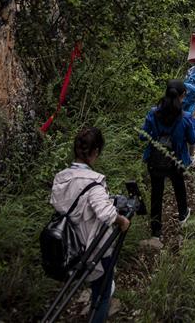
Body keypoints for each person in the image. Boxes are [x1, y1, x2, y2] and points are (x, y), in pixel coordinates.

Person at [49, 127, 131, 323]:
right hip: (94, 247)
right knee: (101, 295)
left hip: (69, 244)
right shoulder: (93, 182)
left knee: (90, 284)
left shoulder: (61, 177)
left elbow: (59, 203)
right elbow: (106, 214)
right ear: (95, 152)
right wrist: (122, 220)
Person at [141, 80, 195, 239]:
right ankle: (183, 216)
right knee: (179, 187)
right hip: (176, 160)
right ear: (183, 96)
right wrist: (194, 119)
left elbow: (142, 135)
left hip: (155, 159)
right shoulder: (185, 118)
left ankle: (156, 231)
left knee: (156, 193)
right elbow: (192, 139)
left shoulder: (153, 113)